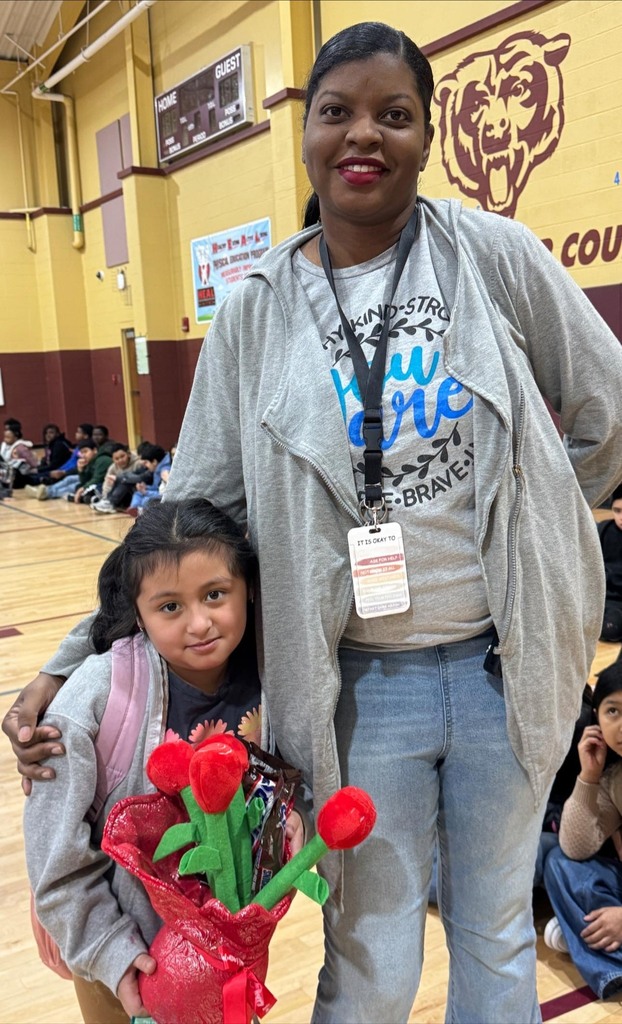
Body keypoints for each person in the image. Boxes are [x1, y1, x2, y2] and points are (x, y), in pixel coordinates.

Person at [5, 21, 622, 1023]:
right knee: (372, 953)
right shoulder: (258, 309)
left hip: (506, 667)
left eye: (394, 113)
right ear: (305, 134)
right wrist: (72, 656)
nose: (363, 134)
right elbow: (189, 518)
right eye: (337, 111)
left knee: (497, 933)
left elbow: (608, 409)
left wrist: (553, 525)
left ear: (427, 136)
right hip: (354, 687)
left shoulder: (496, 258)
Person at [23, 497, 302, 1024]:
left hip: (228, 962)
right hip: (124, 962)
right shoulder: (96, 698)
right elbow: (55, 854)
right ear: (138, 612)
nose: (199, 623)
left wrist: (288, 822)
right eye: (170, 607)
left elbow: (283, 783)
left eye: (215, 595)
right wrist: (110, 950)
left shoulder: (277, 678)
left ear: (248, 587)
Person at [543, 660, 622, 999]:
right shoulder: (614, 778)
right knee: (559, 864)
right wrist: (588, 777)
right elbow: (576, 848)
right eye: (613, 711)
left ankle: (590, 943)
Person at [599, 485, 622, 642]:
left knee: (612, 628)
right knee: (610, 628)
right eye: (617, 511)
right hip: (607, 599)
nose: (621, 517)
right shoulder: (604, 529)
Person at [0, 417, 38, 488]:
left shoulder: (20, 448)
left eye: (8, 430)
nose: (6, 432)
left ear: (16, 434)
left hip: (19, 478)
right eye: (5, 430)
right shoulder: (3, 446)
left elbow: (34, 464)